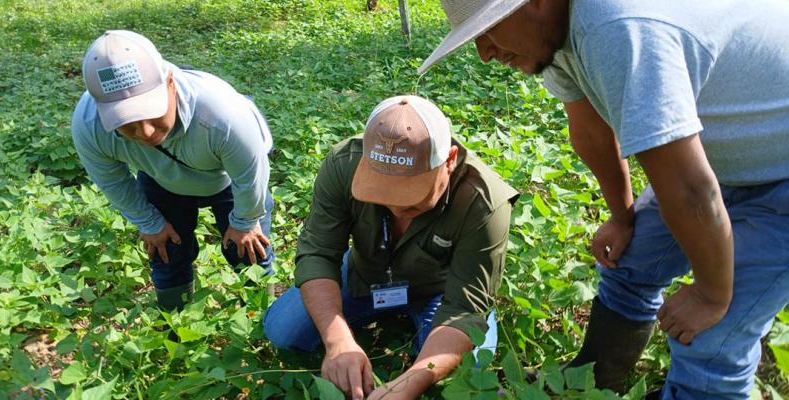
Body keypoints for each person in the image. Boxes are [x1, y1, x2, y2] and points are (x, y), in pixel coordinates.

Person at [418, 0, 789, 398]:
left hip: (778, 179)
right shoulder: (555, 35)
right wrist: (622, 217)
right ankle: (591, 383)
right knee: (627, 261)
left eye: (489, 29)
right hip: (719, 164)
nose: (485, 53)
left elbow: (691, 190)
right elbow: (591, 133)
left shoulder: (616, 27)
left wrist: (710, 294)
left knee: (714, 337)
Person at [263, 95, 518, 399]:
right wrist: (337, 341)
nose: (396, 208)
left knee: (472, 368)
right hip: (365, 273)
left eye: (412, 197)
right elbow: (318, 254)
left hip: (440, 290)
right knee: (283, 330)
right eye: (382, 192)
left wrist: (411, 382)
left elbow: (464, 308)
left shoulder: (483, 201)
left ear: (449, 160)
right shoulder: (344, 164)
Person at [71, 30, 274, 312]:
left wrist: (244, 221)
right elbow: (111, 180)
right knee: (166, 252)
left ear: (169, 82)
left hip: (229, 178)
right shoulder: (89, 124)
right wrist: (149, 222)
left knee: (249, 250)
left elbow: (250, 174)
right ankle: (175, 325)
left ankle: (261, 321)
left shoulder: (223, 114)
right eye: (127, 123)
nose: (145, 132)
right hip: (161, 178)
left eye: (150, 113)